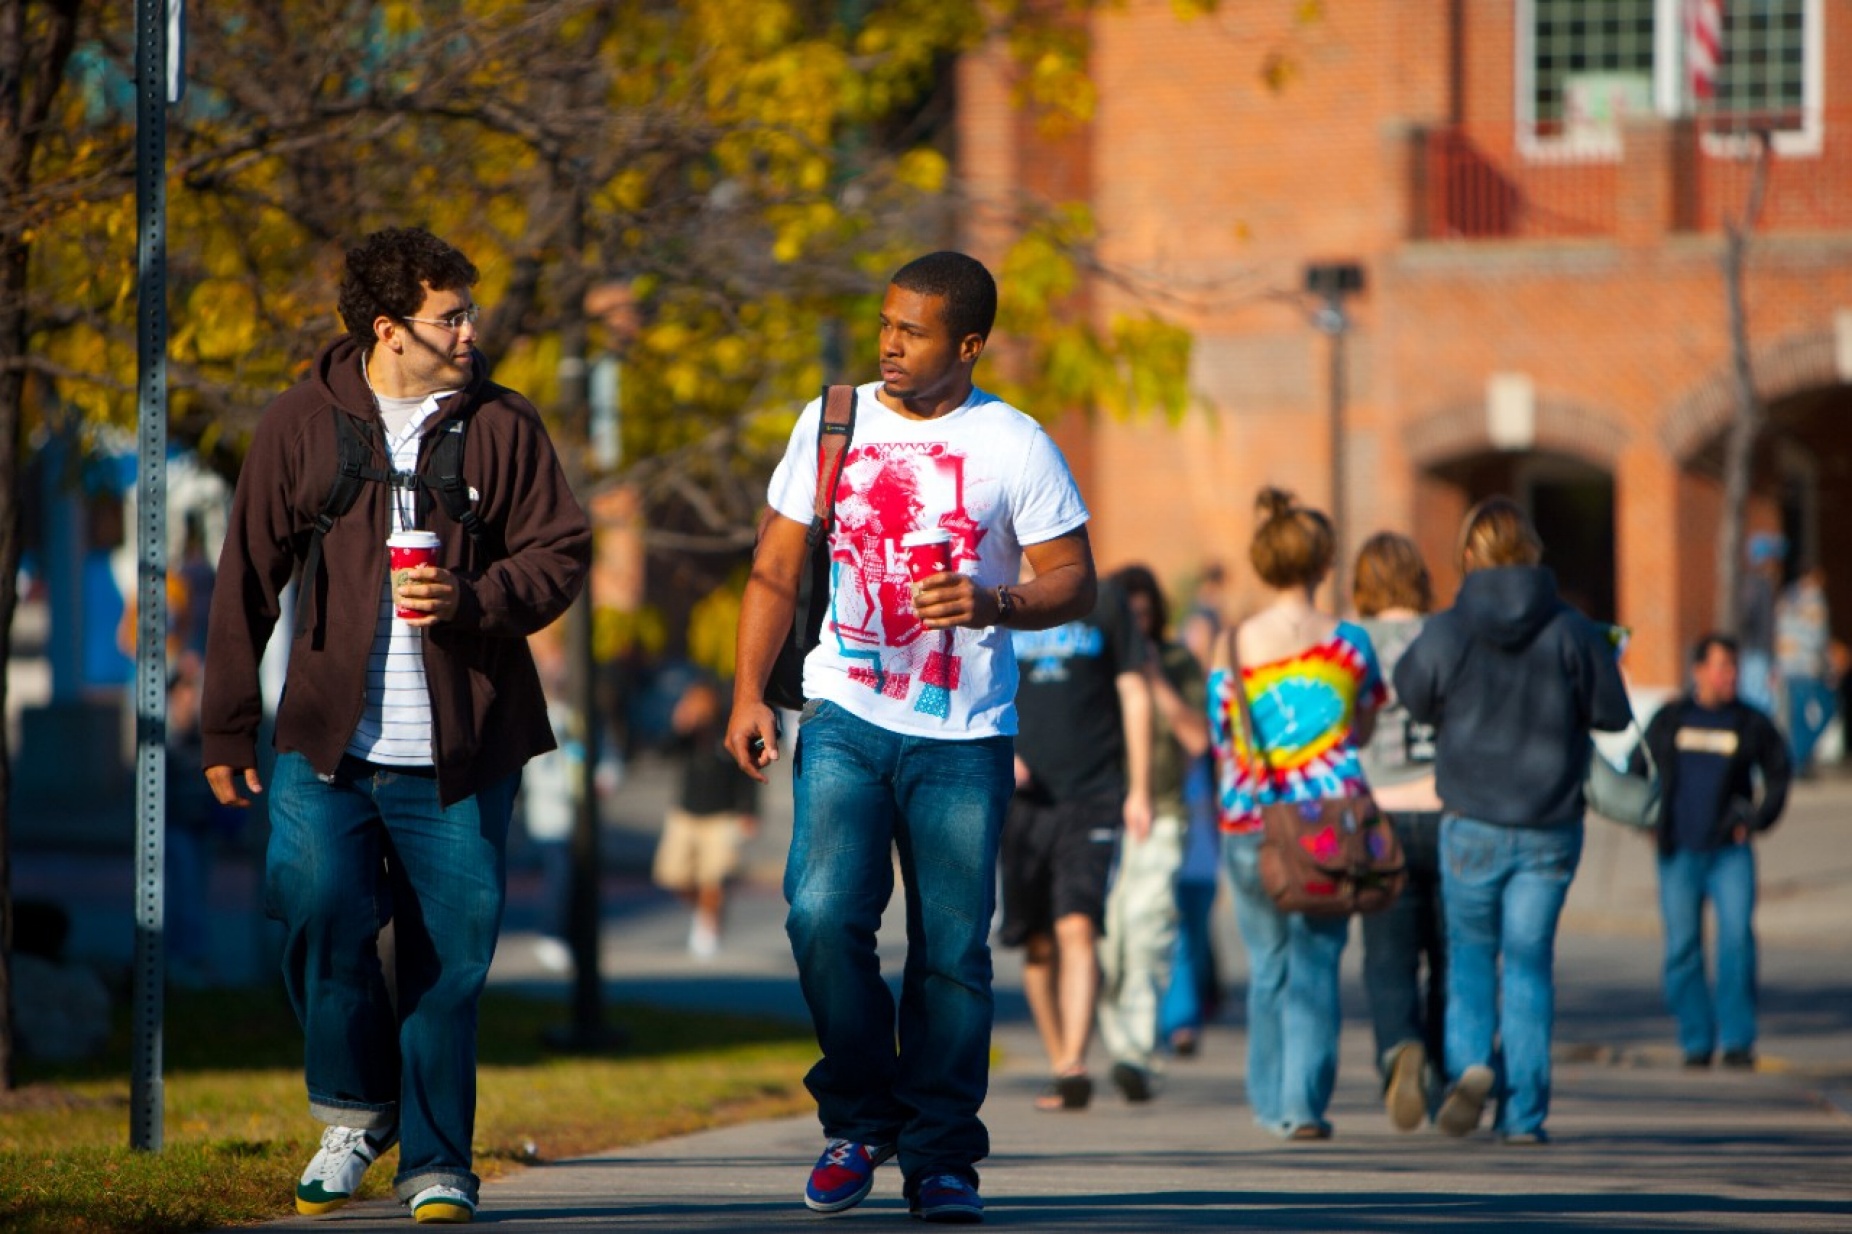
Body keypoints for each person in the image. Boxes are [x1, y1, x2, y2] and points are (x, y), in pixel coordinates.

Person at [201, 226, 591, 1225]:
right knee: (317, 911)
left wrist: (475, 596)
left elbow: (560, 554)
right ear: (390, 329)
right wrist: (225, 728)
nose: (470, 331)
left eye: (468, 311)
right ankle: (353, 1111)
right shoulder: (301, 424)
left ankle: (436, 1163)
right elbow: (246, 579)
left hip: (462, 753)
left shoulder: (502, 425)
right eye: (449, 316)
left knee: (447, 963)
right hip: (328, 747)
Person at [727, 251, 1096, 1225]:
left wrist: (994, 598)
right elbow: (772, 563)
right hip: (843, 709)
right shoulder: (832, 419)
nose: (888, 343)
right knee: (817, 913)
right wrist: (745, 696)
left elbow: (1074, 579)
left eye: (912, 330)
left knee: (950, 953)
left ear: (966, 344)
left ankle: (939, 1157)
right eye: (885, 323)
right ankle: (857, 1119)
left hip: (963, 734)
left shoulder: (1014, 444)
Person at [1394, 497, 1631, 1145]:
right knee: (1528, 963)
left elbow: (1411, 695)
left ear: (1469, 555)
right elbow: (1612, 715)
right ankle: (1524, 1115)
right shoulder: (1572, 630)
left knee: (1469, 955)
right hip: (1550, 824)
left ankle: (1472, 1064)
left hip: (1471, 817)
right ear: (1531, 551)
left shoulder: (1446, 630)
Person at [1209, 488, 1384, 1141]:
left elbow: (1226, 739)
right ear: (1322, 564)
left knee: (1268, 964)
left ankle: (1268, 1102)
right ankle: (1303, 1105)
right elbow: (1364, 726)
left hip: (1251, 821)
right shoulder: (1351, 643)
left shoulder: (1232, 644)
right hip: (1330, 819)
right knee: (1317, 963)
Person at [1004, 575, 1152, 1110]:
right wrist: (997, 749)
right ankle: (1059, 1058)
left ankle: (1073, 1064)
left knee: (1078, 924)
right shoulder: (993, 595)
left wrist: (1139, 789)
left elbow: (1134, 690)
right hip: (1019, 800)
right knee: (1038, 943)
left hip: (1093, 791)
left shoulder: (1105, 599)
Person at [1635, 635, 1790, 1069]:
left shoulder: (1750, 722)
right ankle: (1696, 1039)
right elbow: (1636, 765)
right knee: (1682, 948)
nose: (1729, 676)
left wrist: (1757, 819)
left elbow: (1779, 772)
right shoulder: (1672, 719)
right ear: (1699, 670)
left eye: (1734, 667)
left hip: (1729, 853)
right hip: (1677, 852)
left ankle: (1738, 1039)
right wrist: (1646, 819)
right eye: (1721, 666)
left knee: (1736, 940)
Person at [1097, 564, 1208, 1093]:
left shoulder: (1177, 662)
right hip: (1100, 813)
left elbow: (1198, 740)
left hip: (1162, 814)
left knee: (1147, 932)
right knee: (1108, 941)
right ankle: (1118, 1042)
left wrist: (1153, 677)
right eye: (1128, 616)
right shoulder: (1096, 662)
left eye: (1144, 616)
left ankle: (1136, 1052)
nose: (1136, 625)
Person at [1351, 531, 1446, 1132]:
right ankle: (1441, 1062)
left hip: (1379, 810)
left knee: (1387, 957)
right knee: (1448, 954)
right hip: (1446, 807)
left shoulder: (1354, 641)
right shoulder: (1446, 635)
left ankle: (1398, 1049)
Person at [654, 675, 760, 958]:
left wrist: (749, 812)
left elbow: (746, 774)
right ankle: (703, 913)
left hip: (722, 816)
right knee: (673, 876)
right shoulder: (688, 735)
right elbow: (663, 753)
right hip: (686, 814)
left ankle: (709, 927)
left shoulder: (728, 728)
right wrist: (680, 725)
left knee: (714, 878)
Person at [1775, 565, 1835, 776]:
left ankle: (1797, 759)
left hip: (1788, 667)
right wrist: (1829, 668)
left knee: (1797, 717)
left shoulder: (1786, 598)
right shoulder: (1814, 599)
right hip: (1809, 668)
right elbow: (1819, 637)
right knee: (1828, 707)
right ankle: (1798, 759)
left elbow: (1779, 632)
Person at [1735, 532, 1785, 716]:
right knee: (1758, 703)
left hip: (1760, 654)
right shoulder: (1758, 585)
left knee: (1764, 701)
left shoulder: (1761, 584)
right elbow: (1747, 618)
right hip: (1755, 653)